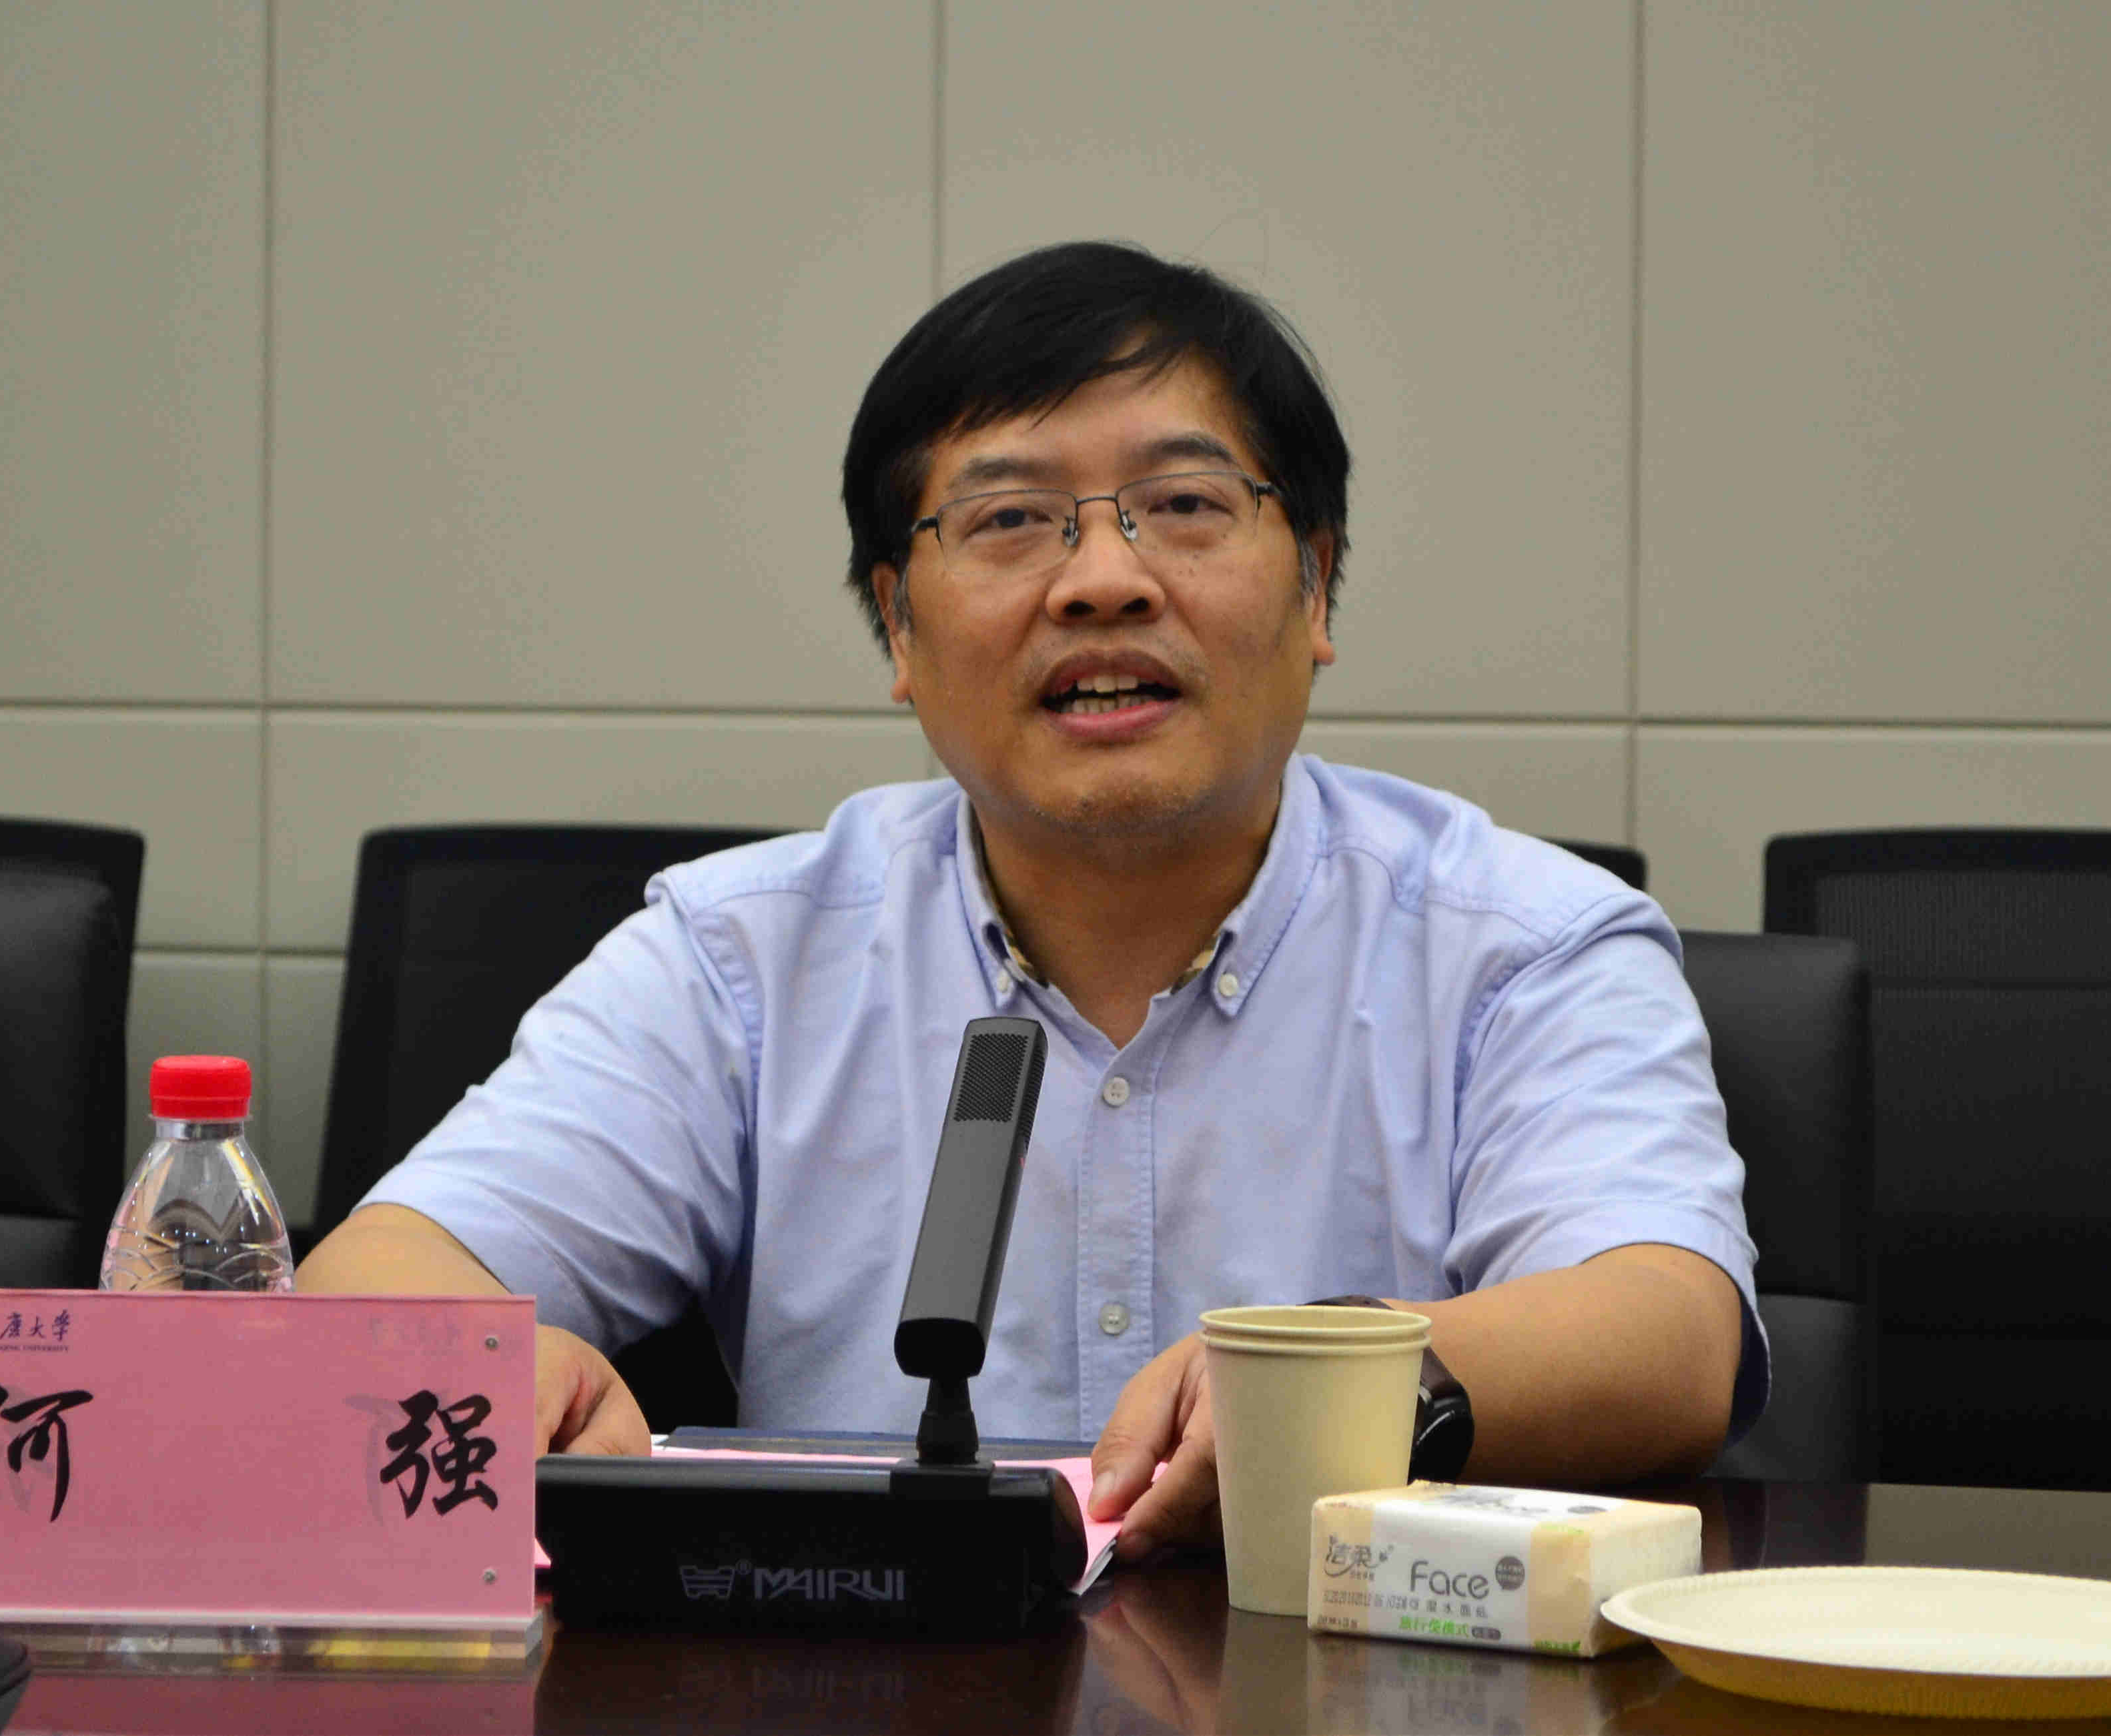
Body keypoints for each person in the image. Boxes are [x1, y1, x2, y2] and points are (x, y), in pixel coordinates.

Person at [297, 240, 1763, 1567]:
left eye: (1184, 506)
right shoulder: (740, 957)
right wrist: (482, 1366)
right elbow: (370, 1283)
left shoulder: (1523, 942)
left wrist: (1340, 1377)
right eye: (1010, 520)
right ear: (898, 627)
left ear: (1316, 587)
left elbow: (1670, 1332)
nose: (1104, 581)